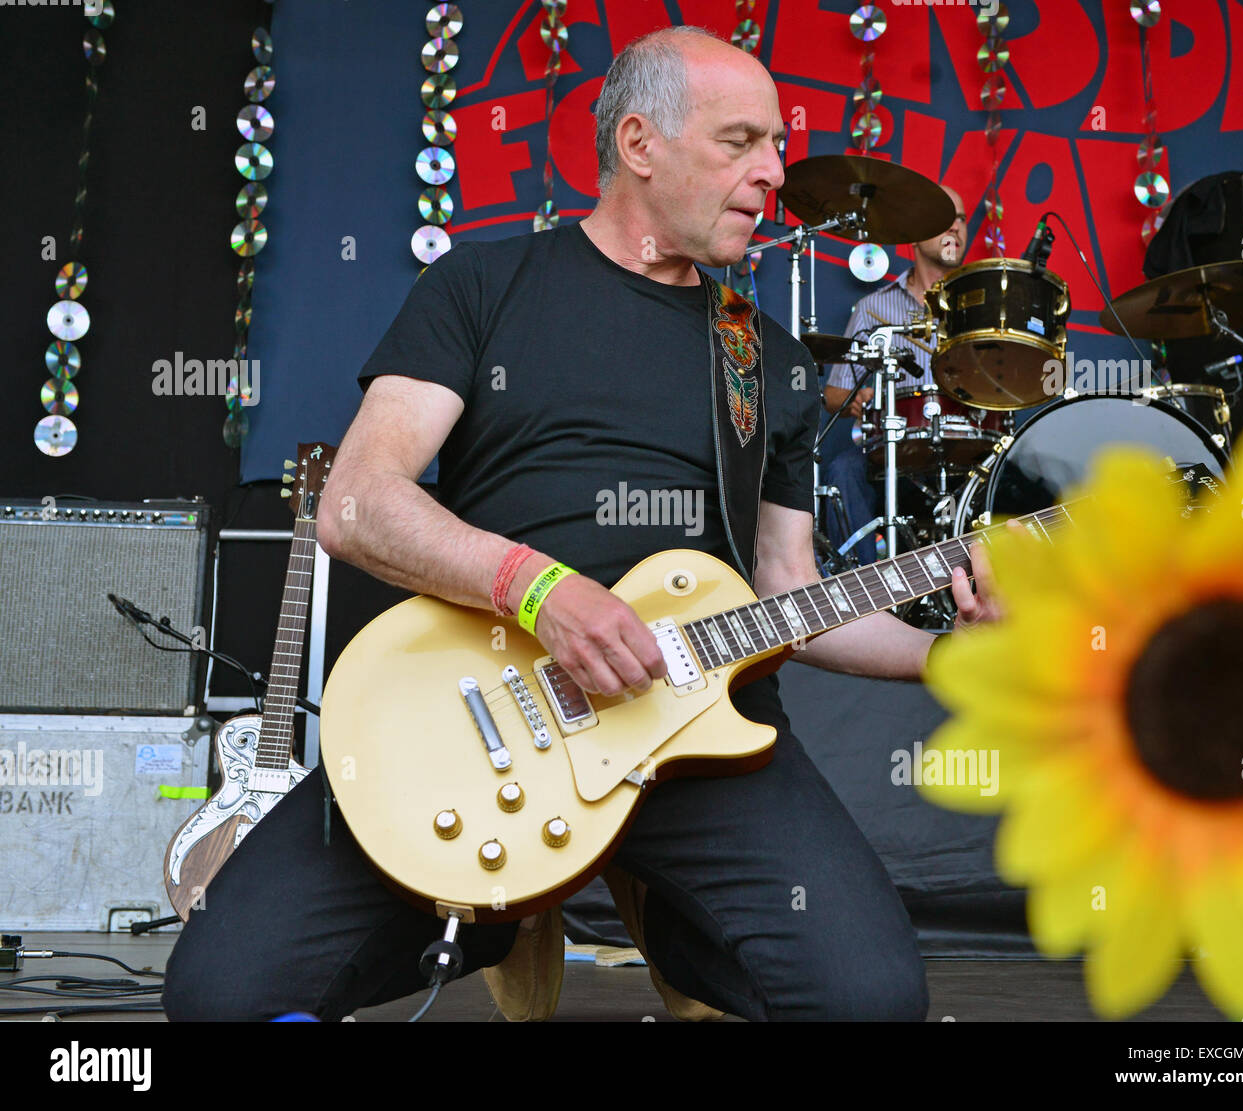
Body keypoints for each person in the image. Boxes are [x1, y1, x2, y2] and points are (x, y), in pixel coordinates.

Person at [161, 26, 997, 1024]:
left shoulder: (764, 357)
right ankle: (489, 911)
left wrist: (948, 660)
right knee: (221, 996)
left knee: (870, 1001)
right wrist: (542, 591)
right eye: (741, 141)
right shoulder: (483, 287)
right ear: (640, 143)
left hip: (699, 734)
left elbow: (787, 586)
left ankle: (675, 919)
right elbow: (357, 502)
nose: (774, 172)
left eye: (775, 144)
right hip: (479, 712)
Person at [821, 187, 968, 564]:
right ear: (916, 233)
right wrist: (858, 399)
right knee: (842, 469)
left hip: (965, 444)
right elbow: (834, 392)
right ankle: (862, 602)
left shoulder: (978, 305)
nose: (956, 226)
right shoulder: (874, 307)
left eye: (962, 219)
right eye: (945, 217)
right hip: (893, 447)